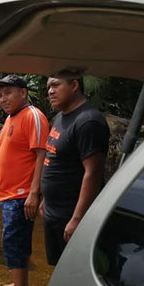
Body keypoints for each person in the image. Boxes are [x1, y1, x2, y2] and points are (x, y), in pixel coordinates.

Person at [0, 74, 49, 286]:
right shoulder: (11, 118)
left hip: (22, 195)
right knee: (17, 242)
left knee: (13, 242)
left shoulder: (32, 116)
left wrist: (34, 193)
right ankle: (19, 283)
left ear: (23, 93)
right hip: (8, 193)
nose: (3, 99)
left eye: (8, 93)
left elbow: (42, 156)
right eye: (0, 95)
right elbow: (10, 156)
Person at [40, 69, 110, 265]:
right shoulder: (61, 117)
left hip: (71, 215)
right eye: (48, 87)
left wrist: (78, 218)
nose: (50, 92)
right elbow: (54, 158)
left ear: (74, 85)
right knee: (59, 269)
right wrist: (45, 198)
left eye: (55, 85)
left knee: (75, 271)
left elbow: (93, 173)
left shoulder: (88, 121)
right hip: (53, 211)